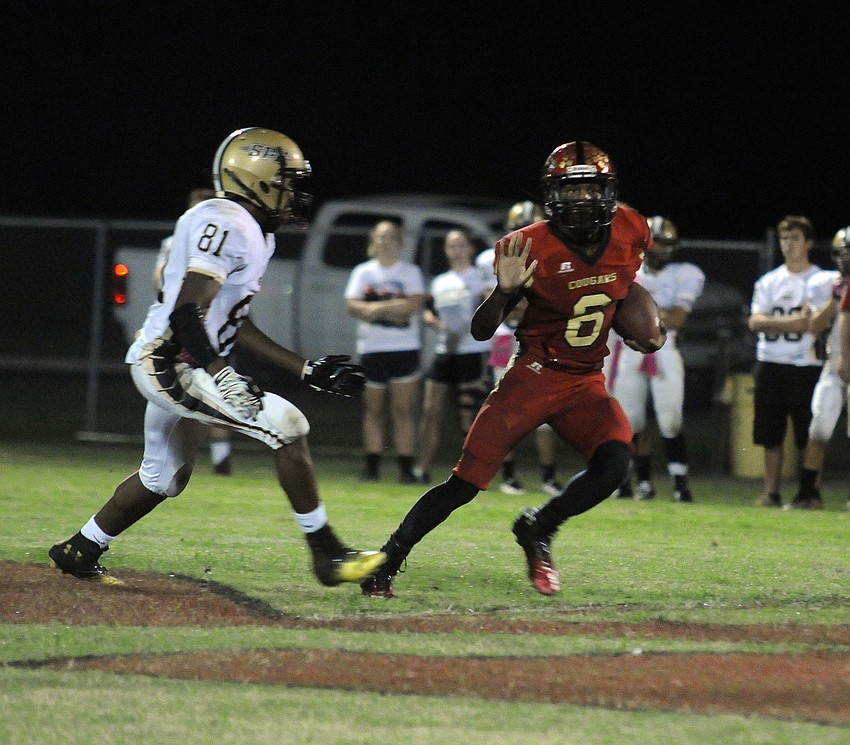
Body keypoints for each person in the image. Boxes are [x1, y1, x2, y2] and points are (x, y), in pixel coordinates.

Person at [49, 127, 385, 586]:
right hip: (170, 361)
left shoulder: (254, 232)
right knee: (288, 428)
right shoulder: (231, 223)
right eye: (288, 181)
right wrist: (220, 373)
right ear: (258, 180)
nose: (295, 193)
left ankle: (80, 547)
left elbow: (233, 320)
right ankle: (327, 553)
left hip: (187, 357)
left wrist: (304, 368)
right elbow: (188, 311)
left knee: (163, 477)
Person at [359, 140, 659, 598]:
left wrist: (640, 321)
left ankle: (539, 527)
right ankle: (387, 560)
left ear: (608, 191)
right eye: (570, 191)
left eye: (589, 190)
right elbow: (482, 331)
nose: (581, 201)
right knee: (464, 482)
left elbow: (622, 288)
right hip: (534, 376)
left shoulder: (631, 229)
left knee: (615, 463)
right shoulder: (525, 247)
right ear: (550, 196)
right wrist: (503, 292)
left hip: (585, 381)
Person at [606, 216, 705, 502]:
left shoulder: (685, 273)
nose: (659, 249)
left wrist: (637, 314)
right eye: (654, 243)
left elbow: (678, 318)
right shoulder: (626, 271)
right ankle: (640, 483)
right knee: (631, 420)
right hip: (629, 351)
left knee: (670, 419)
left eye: (664, 244)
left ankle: (680, 485)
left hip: (665, 352)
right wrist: (653, 314)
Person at [476, 200, 563, 497]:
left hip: (542, 338)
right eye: (518, 229)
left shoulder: (553, 256)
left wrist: (522, 300)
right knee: (504, 409)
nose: (525, 235)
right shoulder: (492, 257)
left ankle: (548, 476)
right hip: (505, 339)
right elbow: (502, 309)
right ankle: (508, 474)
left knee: (547, 412)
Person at [747, 215, 834, 508]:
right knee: (770, 434)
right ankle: (771, 492)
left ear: (808, 242)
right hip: (770, 362)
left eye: (795, 238)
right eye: (785, 238)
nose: (788, 244)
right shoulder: (769, 281)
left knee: (807, 433)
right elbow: (754, 323)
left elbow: (812, 325)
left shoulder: (822, 279)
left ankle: (811, 492)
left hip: (805, 363)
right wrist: (794, 322)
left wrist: (777, 322)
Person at [154, 187, 235, 476]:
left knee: (221, 394)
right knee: (181, 399)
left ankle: (221, 459)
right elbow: (160, 282)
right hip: (179, 331)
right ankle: (170, 459)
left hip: (212, 332)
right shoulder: (175, 242)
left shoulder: (225, 241)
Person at [345, 220, 426, 483]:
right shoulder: (363, 272)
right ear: (373, 242)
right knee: (374, 411)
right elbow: (353, 305)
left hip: (404, 348)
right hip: (372, 348)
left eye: (391, 237)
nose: (386, 242)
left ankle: (406, 469)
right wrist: (392, 307)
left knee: (403, 410)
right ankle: (371, 468)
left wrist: (375, 309)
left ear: (400, 243)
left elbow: (413, 305)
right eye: (381, 237)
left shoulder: (410, 272)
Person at [412, 229, 492, 483]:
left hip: (472, 351)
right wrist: (436, 324)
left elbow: (489, 308)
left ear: (470, 249)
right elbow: (429, 312)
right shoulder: (440, 281)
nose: (456, 251)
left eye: (461, 245)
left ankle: (470, 472)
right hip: (444, 351)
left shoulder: (479, 279)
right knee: (430, 411)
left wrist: (465, 328)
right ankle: (422, 468)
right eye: (451, 246)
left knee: (468, 415)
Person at [789, 226, 850, 509]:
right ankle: (807, 494)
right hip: (834, 364)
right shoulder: (828, 284)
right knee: (819, 428)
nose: (846, 258)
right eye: (843, 253)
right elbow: (814, 326)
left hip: (843, 361)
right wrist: (835, 299)